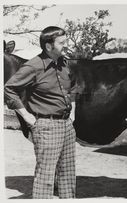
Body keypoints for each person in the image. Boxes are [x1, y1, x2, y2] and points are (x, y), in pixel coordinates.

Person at [5, 26, 77, 199]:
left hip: (67, 126)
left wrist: (72, 111)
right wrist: (26, 116)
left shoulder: (64, 63)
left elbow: (72, 86)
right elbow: (9, 89)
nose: (66, 45)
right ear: (48, 46)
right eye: (62, 43)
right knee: (45, 178)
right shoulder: (33, 66)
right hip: (46, 126)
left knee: (68, 176)